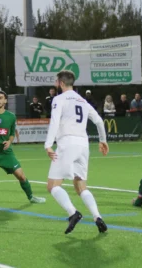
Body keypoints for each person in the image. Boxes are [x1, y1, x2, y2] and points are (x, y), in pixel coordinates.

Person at [44, 70, 109, 234]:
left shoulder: (59, 99)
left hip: (67, 143)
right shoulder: (83, 101)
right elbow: (99, 121)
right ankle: (97, 216)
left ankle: (73, 213)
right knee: (80, 185)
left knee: (52, 186)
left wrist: (48, 144)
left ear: (60, 82)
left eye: (55, 80)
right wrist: (103, 140)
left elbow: (54, 121)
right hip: (83, 145)